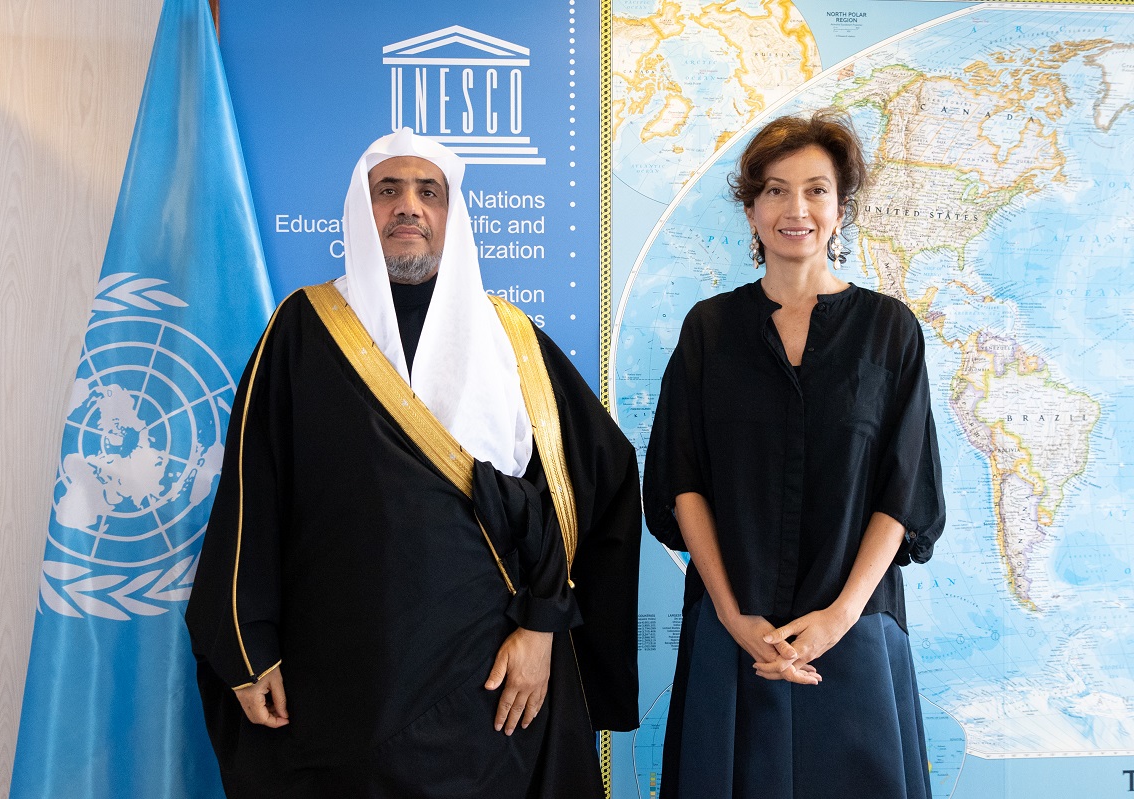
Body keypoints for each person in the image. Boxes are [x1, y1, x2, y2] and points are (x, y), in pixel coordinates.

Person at [185, 128, 641, 798]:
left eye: (429, 192)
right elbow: (254, 494)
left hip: (492, 683)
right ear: (359, 210)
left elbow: (591, 488)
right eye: (388, 190)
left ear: (451, 216)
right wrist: (247, 650)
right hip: (343, 681)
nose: (408, 207)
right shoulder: (303, 328)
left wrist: (543, 628)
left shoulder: (510, 339)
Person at [642, 108, 945, 799]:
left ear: (841, 209)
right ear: (749, 209)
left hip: (856, 629)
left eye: (816, 189)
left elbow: (904, 491)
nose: (796, 208)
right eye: (775, 189)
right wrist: (732, 615)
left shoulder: (889, 331)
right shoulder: (709, 329)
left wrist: (838, 618)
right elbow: (681, 482)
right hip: (735, 634)